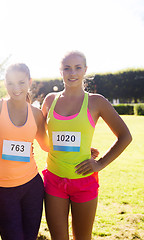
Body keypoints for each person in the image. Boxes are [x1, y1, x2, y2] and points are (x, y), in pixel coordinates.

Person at [41, 51, 132, 239]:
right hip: (54, 180)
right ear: (61, 71)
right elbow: (41, 135)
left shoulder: (96, 102)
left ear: (85, 70)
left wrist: (100, 163)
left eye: (77, 68)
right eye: (67, 68)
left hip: (84, 182)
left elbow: (125, 136)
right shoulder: (50, 100)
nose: (72, 73)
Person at [0, 63, 49, 240]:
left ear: (30, 82)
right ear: (4, 83)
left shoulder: (36, 114)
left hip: (32, 187)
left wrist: (82, 150)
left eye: (21, 82)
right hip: (4, 189)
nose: (16, 88)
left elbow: (46, 146)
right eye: (11, 83)